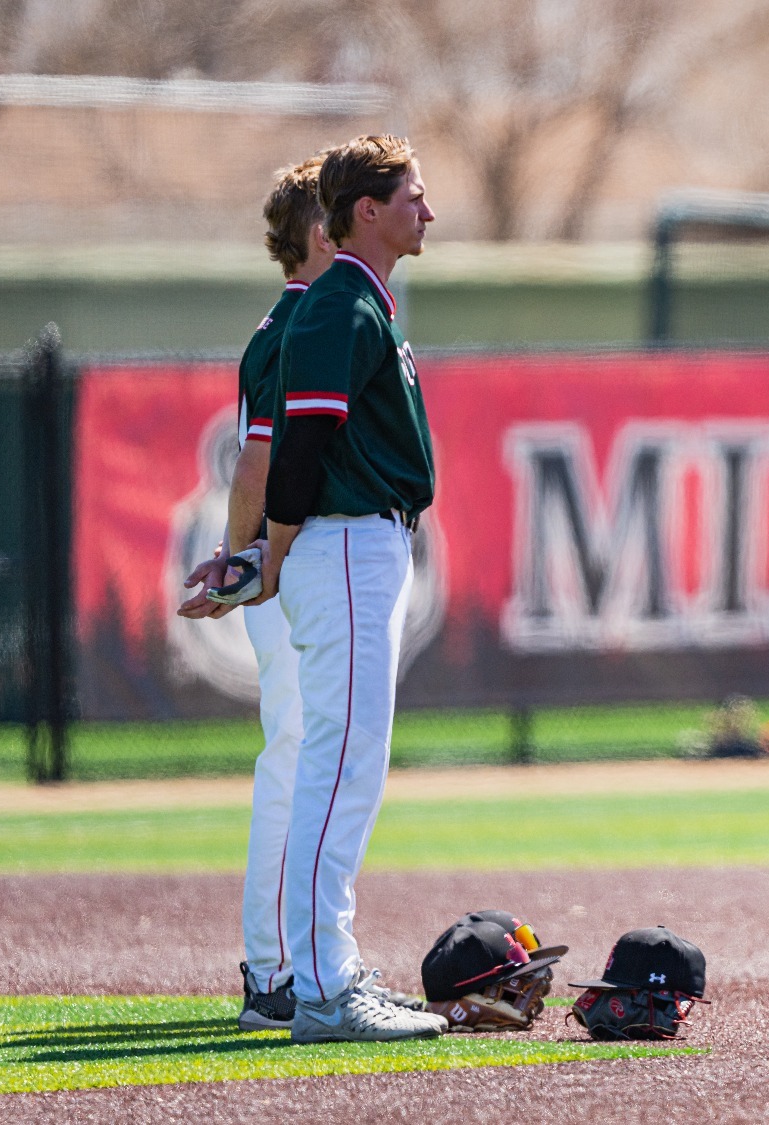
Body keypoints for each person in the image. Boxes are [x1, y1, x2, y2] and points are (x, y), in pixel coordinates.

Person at [247, 134, 443, 1043]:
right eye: (412, 195)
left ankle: (328, 968)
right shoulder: (337, 305)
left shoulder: (360, 299)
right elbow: (301, 449)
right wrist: (274, 551)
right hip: (345, 544)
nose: (426, 211)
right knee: (336, 771)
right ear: (365, 210)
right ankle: (321, 987)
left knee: (342, 768)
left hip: (362, 544)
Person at [177, 154, 339, 1031]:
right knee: (296, 757)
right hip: (288, 569)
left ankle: (299, 959)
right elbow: (258, 461)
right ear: (322, 232)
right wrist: (243, 564)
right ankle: (274, 969)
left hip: (290, 566)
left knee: (306, 755)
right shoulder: (297, 325)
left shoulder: (296, 317)